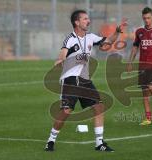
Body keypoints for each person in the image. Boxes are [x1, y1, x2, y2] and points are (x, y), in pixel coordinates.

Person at [45, 9, 127, 152]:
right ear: (77, 22)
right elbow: (63, 53)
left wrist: (117, 32)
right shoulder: (70, 39)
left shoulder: (90, 37)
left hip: (84, 80)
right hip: (70, 79)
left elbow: (106, 44)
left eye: (88, 19)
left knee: (99, 107)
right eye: (85, 19)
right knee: (66, 111)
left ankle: (99, 143)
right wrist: (59, 60)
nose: (88, 21)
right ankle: (50, 141)